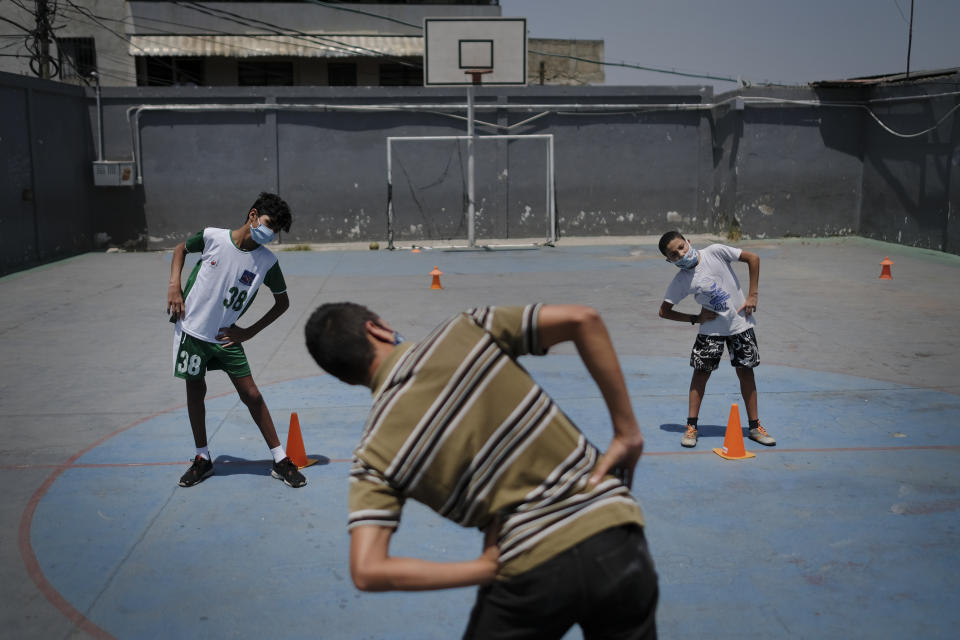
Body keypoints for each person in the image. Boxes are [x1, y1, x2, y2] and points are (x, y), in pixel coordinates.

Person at [305, 302, 658, 639]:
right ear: (377, 329)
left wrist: (484, 568)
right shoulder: (467, 329)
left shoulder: (373, 456)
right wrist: (626, 432)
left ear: (345, 377)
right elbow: (583, 318)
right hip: (615, 533)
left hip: (528, 565)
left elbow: (367, 571)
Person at [166, 192, 306, 488]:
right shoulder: (213, 237)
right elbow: (180, 249)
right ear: (253, 216)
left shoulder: (267, 262)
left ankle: (280, 459)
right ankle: (202, 459)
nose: (270, 234)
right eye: (269, 224)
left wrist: (249, 331)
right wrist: (174, 287)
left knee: (252, 394)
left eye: (275, 231)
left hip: (226, 338)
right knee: (195, 391)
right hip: (192, 332)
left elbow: (283, 303)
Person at [657, 230, 776, 449]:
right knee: (700, 376)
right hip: (710, 331)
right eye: (674, 255)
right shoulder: (682, 280)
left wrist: (753, 295)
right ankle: (691, 427)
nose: (681, 255)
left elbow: (753, 258)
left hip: (740, 325)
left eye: (681, 247)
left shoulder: (715, 252)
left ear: (688, 242)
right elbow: (664, 311)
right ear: (669, 260)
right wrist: (695, 318)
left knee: (746, 373)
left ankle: (754, 426)